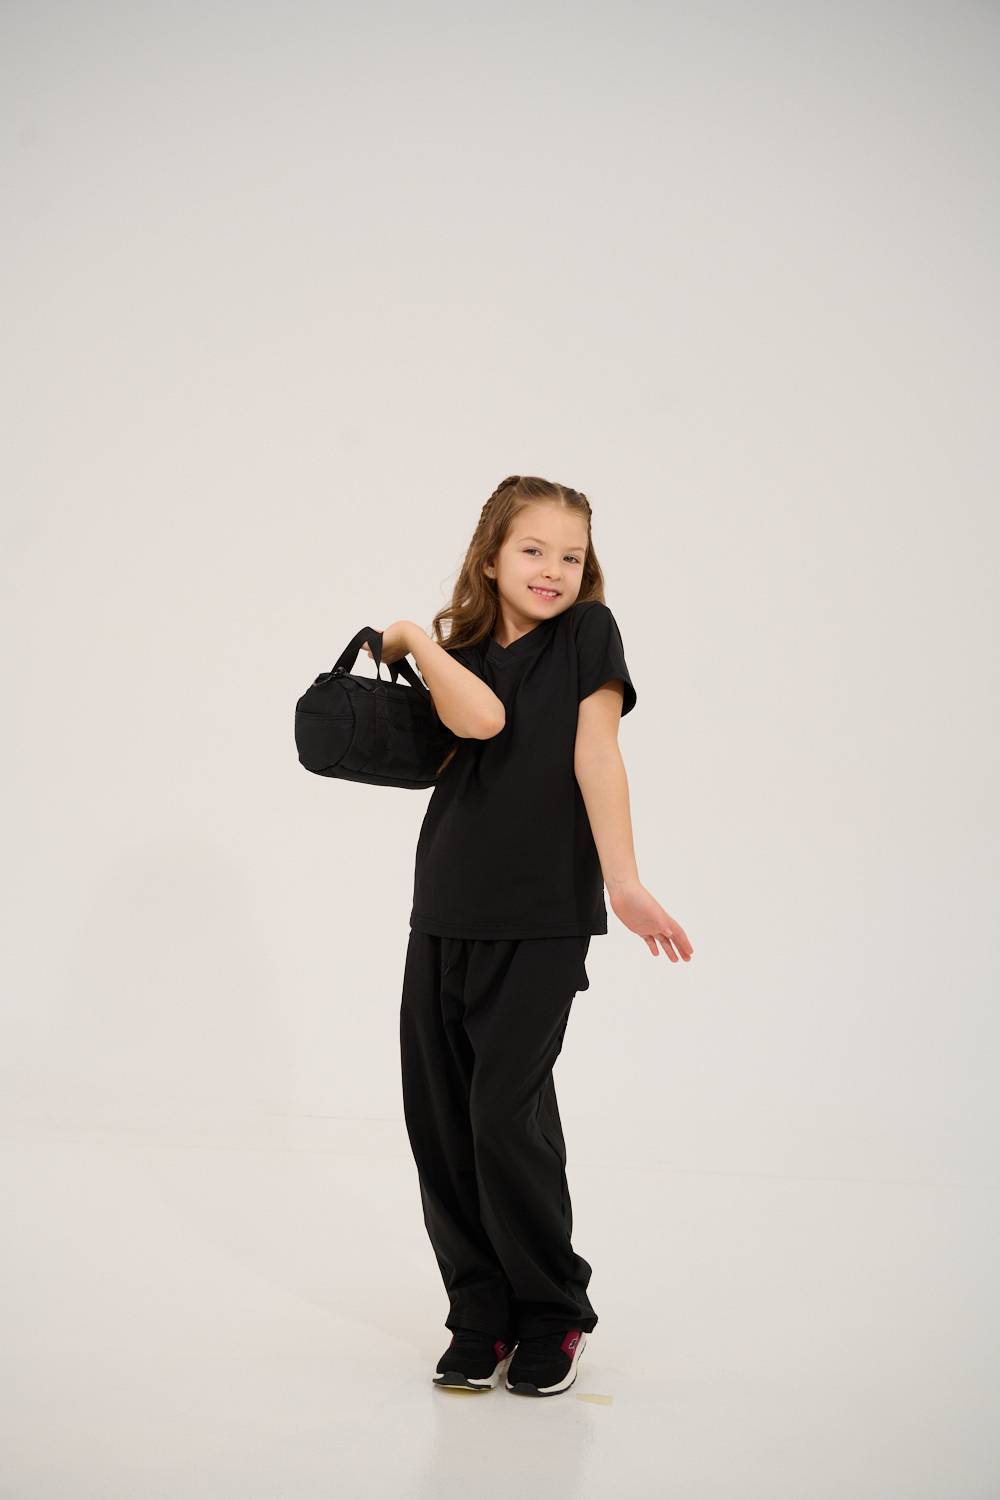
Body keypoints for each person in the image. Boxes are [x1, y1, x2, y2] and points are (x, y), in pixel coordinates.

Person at [367, 475, 694, 1397]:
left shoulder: (589, 635)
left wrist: (622, 881)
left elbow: (596, 751)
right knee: (441, 1121)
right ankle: (479, 1313)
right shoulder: (461, 650)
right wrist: (424, 646)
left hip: (547, 910)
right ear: (491, 556)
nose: (554, 569)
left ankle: (552, 1315)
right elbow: (475, 718)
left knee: (504, 1114)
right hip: (444, 908)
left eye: (572, 554)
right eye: (534, 550)